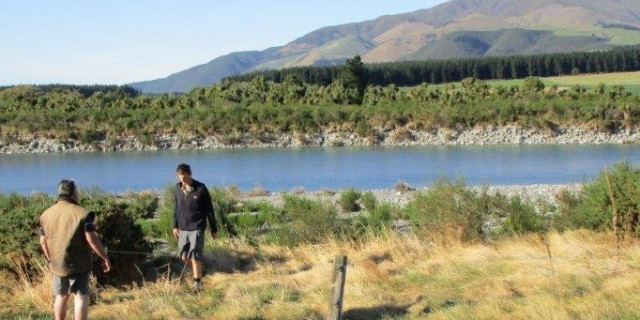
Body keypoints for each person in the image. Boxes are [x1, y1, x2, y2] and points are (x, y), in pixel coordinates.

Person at [39, 180, 111, 320]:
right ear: (74, 193)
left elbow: (42, 241)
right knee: (81, 297)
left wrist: (50, 259)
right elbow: (92, 240)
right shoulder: (84, 215)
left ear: (59, 193)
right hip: (79, 265)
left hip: (58, 264)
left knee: (60, 296)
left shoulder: (45, 214)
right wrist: (105, 257)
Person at [172, 163, 218, 292]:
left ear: (189, 174)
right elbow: (177, 208)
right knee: (183, 256)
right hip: (183, 228)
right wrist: (175, 226)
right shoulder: (177, 188)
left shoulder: (200, 188)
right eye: (180, 177)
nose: (182, 180)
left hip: (197, 227)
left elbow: (209, 210)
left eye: (184, 177)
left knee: (195, 256)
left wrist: (214, 229)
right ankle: (200, 271)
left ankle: (197, 285)